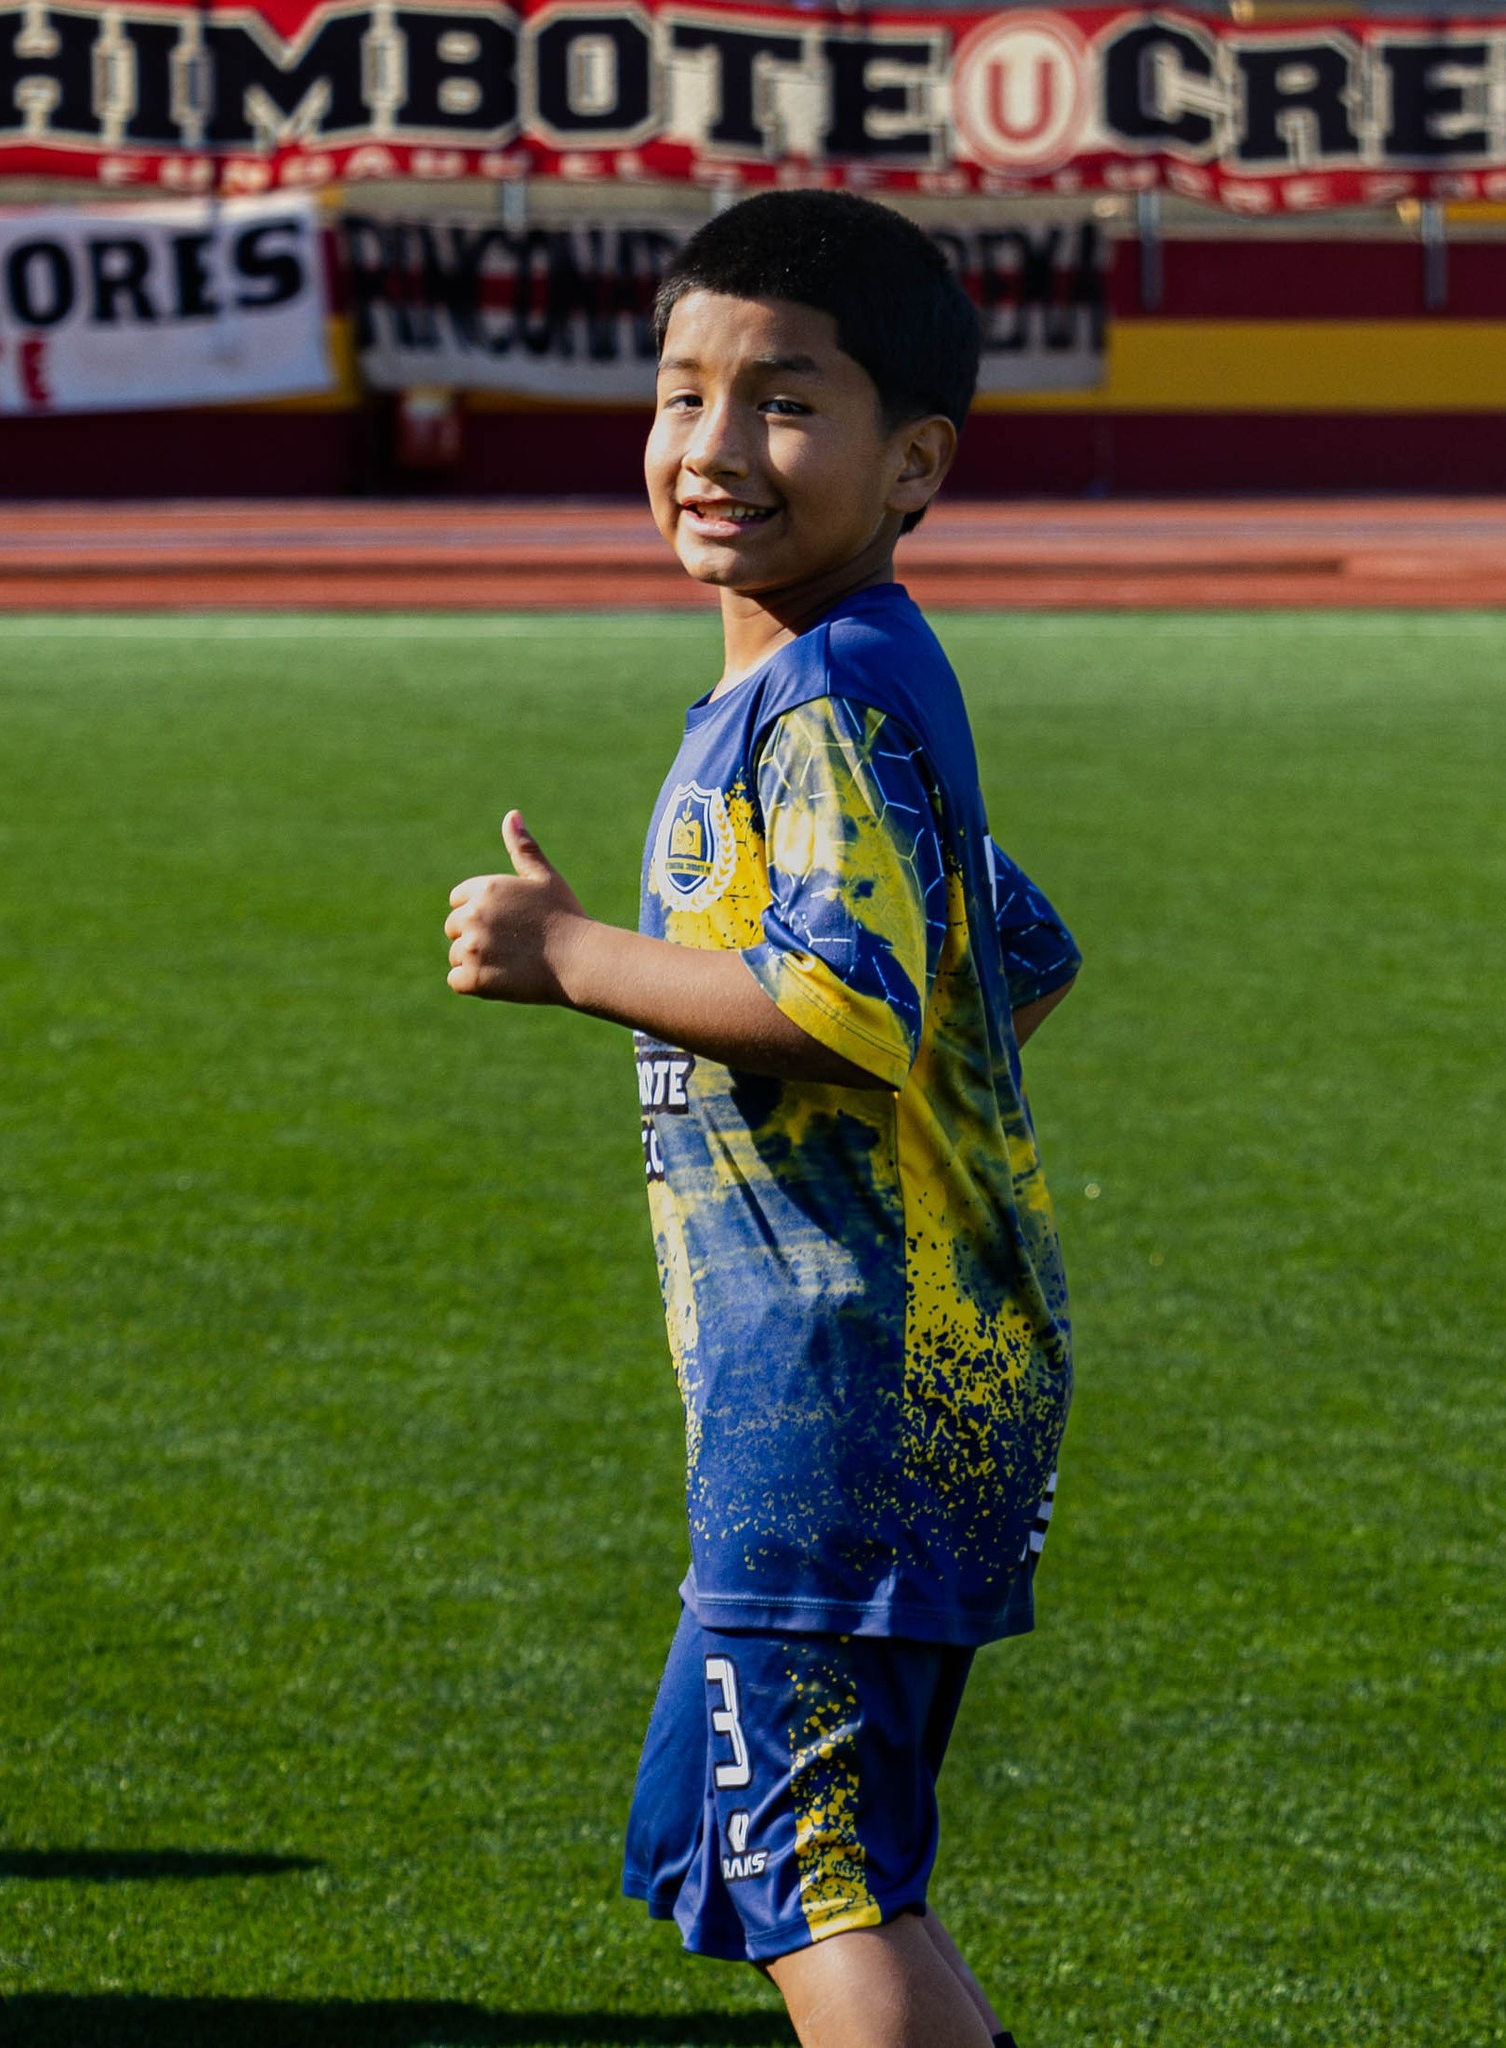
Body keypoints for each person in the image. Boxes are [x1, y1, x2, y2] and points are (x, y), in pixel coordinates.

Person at [444, 190, 1080, 2048]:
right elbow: (1011, 950)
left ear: (915, 464)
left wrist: (577, 957)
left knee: (816, 1877)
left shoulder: (822, 700)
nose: (715, 446)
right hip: (880, 1375)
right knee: (761, 1853)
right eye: (683, 394)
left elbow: (847, 1005)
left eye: (787, 403)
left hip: (847, 1389)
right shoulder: (830, 679)